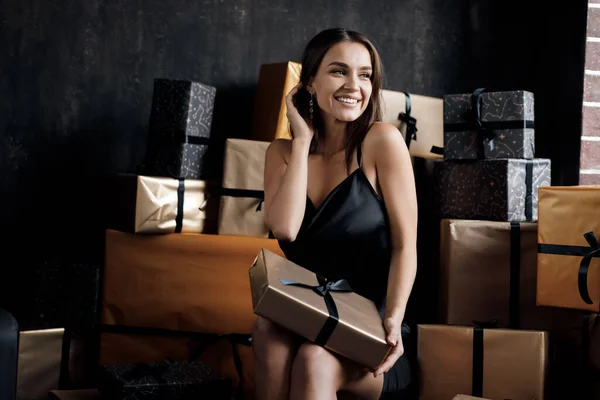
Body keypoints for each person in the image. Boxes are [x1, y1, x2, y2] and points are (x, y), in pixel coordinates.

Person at [252, 28, 418, 400]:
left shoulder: (382, 142)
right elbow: (285, 228)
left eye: (365, 75)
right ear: (309, 82)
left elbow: (406, 247)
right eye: (339, 71)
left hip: (375, 329)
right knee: (267, 328)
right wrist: (302, 141)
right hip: (307, 315)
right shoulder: (281, 153)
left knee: (314, 359)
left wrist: (393, 317)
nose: (354, 85)